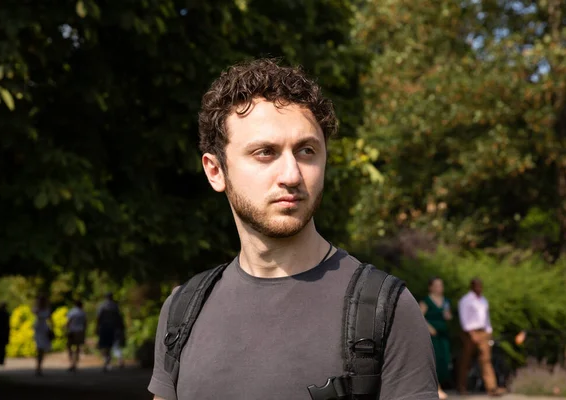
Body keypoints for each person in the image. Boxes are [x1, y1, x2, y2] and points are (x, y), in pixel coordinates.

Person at [148, 58, 438, 400]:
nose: (291, 175)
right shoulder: (182, 312)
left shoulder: (385, 310)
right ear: (215, 171)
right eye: (265, 153)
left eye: (306, 151)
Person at [457, 278, 507, 396]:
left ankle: (492, 388)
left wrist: (489, 331)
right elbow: (464, 318)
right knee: (466, 360)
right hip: (470, 332)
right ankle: (462, 386)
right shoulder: (466, 300)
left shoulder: (483, 300)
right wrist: (471, 333)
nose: (480, 289)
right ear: (472, 287)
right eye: (477, 286)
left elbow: (486, 318)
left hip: (483, 332)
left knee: (486, 360)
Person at [420, 277, 452, 400]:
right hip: (431, 335)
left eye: (441, 285)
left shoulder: (445, 301)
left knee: (444, 360)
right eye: (437, 285)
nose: (440, 288)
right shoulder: (426, 301)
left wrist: (447, 316)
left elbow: (447, 316)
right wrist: (429, 327)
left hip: (443, 334)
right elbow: (419, 316)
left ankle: (440, 386)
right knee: (434, 360)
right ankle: (437, 388)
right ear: (431, 287)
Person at [96, 292, 123, 371]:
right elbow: (119, 318)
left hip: (105, 327)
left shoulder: (102, 306)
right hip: (114, 328)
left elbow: (99, 317)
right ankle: (118, 360)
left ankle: (107, 361)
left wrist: (97, 327)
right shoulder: (115, 306)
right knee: (114, 344)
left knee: (105, 346)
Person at [33, 295, 53, 376]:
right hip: (38, 329)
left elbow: (51, 320)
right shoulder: (36, 309)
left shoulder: (47, 309)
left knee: (42, 348)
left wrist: (52, 329)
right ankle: (38, 367)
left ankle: (39, 366)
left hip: (44, 329)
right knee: (39, 348)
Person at [66, 299, 87, 372]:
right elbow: (85, 323)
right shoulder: (82, 313)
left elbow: (68, 322)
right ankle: (75, 363)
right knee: (77, 347)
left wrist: (66, 329)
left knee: (69, 346)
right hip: (80, 331)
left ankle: (72, 362)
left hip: (72, 331)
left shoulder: (72, 311)